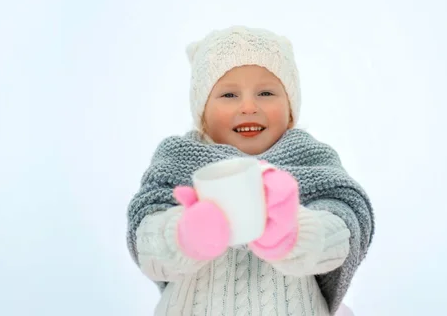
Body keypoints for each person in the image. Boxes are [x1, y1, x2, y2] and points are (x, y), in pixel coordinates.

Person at [126, 26, 375, 315]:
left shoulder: (312, 160)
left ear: (291, 111)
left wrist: (298, 231)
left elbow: (342, 232)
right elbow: (146, 243)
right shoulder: (178, 160)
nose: (248, 106)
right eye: (229, 95)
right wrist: (182, 234)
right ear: (202, 114)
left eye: (266, 92)